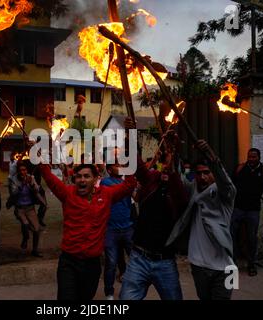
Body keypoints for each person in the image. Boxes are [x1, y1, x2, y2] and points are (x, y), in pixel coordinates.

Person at [35, 154, 136, 300]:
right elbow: (48, 177)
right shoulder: (67, 194)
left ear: (95, 179)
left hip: (92, 264)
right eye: (78, 177)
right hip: (69, 262)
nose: (82, 180)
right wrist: (36, 153)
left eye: (87, 176)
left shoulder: (107, 194)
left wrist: (126, 164)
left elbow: (129, 185)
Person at [120, 119, 188, 301]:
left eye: (170, 158)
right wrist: (131, 134)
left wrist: (172, 158)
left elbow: (180, 198)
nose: (166, 161)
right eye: (164, 157)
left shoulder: (180, 189)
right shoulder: (151, 178)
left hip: (165, 261)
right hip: (138, 258)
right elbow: (136, 163)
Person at [166, 140, 237, 300]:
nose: (202, 177)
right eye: (198, 173)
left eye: (207, 172)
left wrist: (211, 155)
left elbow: (226, 183)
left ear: (214, 173)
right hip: (199, 266)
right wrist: (172, 156)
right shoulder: (193, 190)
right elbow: (178, 181)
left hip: (227, 269)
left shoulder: (225, 195)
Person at [230, 148, 263, 276]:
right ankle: (232, 262)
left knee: (251, 238)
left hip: (253, 210)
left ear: (259, 157)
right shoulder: (240, 169)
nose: (251, 159)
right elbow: (230, 186)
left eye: (254, 157)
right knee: (232, 235)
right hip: (238, 208)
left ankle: (251, 264)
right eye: (249, 156)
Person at [100, 163, 134, 300]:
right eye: (116, 165)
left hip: (127, 227)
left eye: (121, 165)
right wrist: (131, 184)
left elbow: (134, 199)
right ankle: (109, 292)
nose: (120, 167)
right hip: (111, 229)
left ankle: (130, 289)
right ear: (109, 170)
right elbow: (122, 189)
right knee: (111, 262)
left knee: (135, 260)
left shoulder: (125, 182)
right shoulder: (105, 182)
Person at [9, 161, 46, 257]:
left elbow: (37, 190)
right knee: (25, 225)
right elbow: (13, 193)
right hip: (20, 208)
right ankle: (25, 239)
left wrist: (32, 184)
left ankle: (35, 250)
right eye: (21, 170)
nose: (23, 172)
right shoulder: (14, 179)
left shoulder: (31, 177)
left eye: (24, 170)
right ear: (18, 171)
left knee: (36, 229)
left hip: (30, 207)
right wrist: (22, 185)